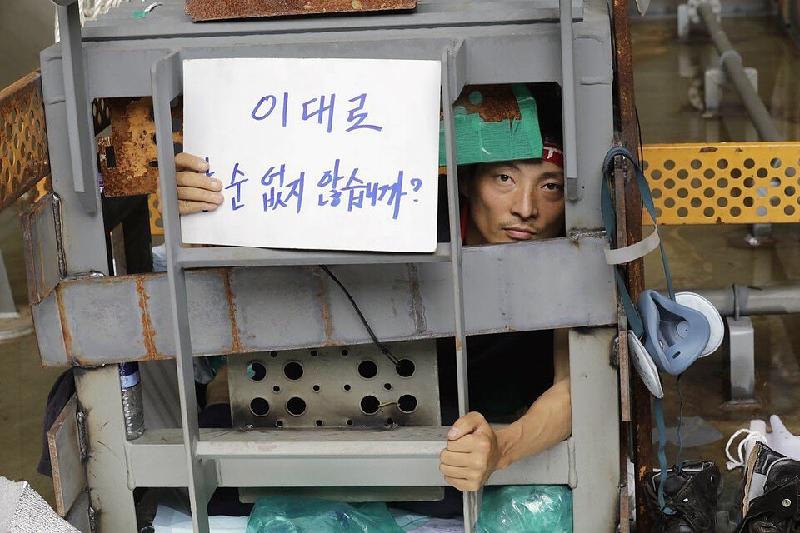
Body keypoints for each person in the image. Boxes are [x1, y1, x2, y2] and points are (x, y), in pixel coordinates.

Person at [173, 83, 571, 512]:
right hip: (332, 417)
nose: (526, 208)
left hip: (466, 440)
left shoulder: (570, 256)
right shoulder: (400, 212)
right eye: (504, 178)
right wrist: (203, 214)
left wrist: (503, 447)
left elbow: (577, 386)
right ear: (467, 181)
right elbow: (250, 267)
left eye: (550, 186)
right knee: (223, 486)